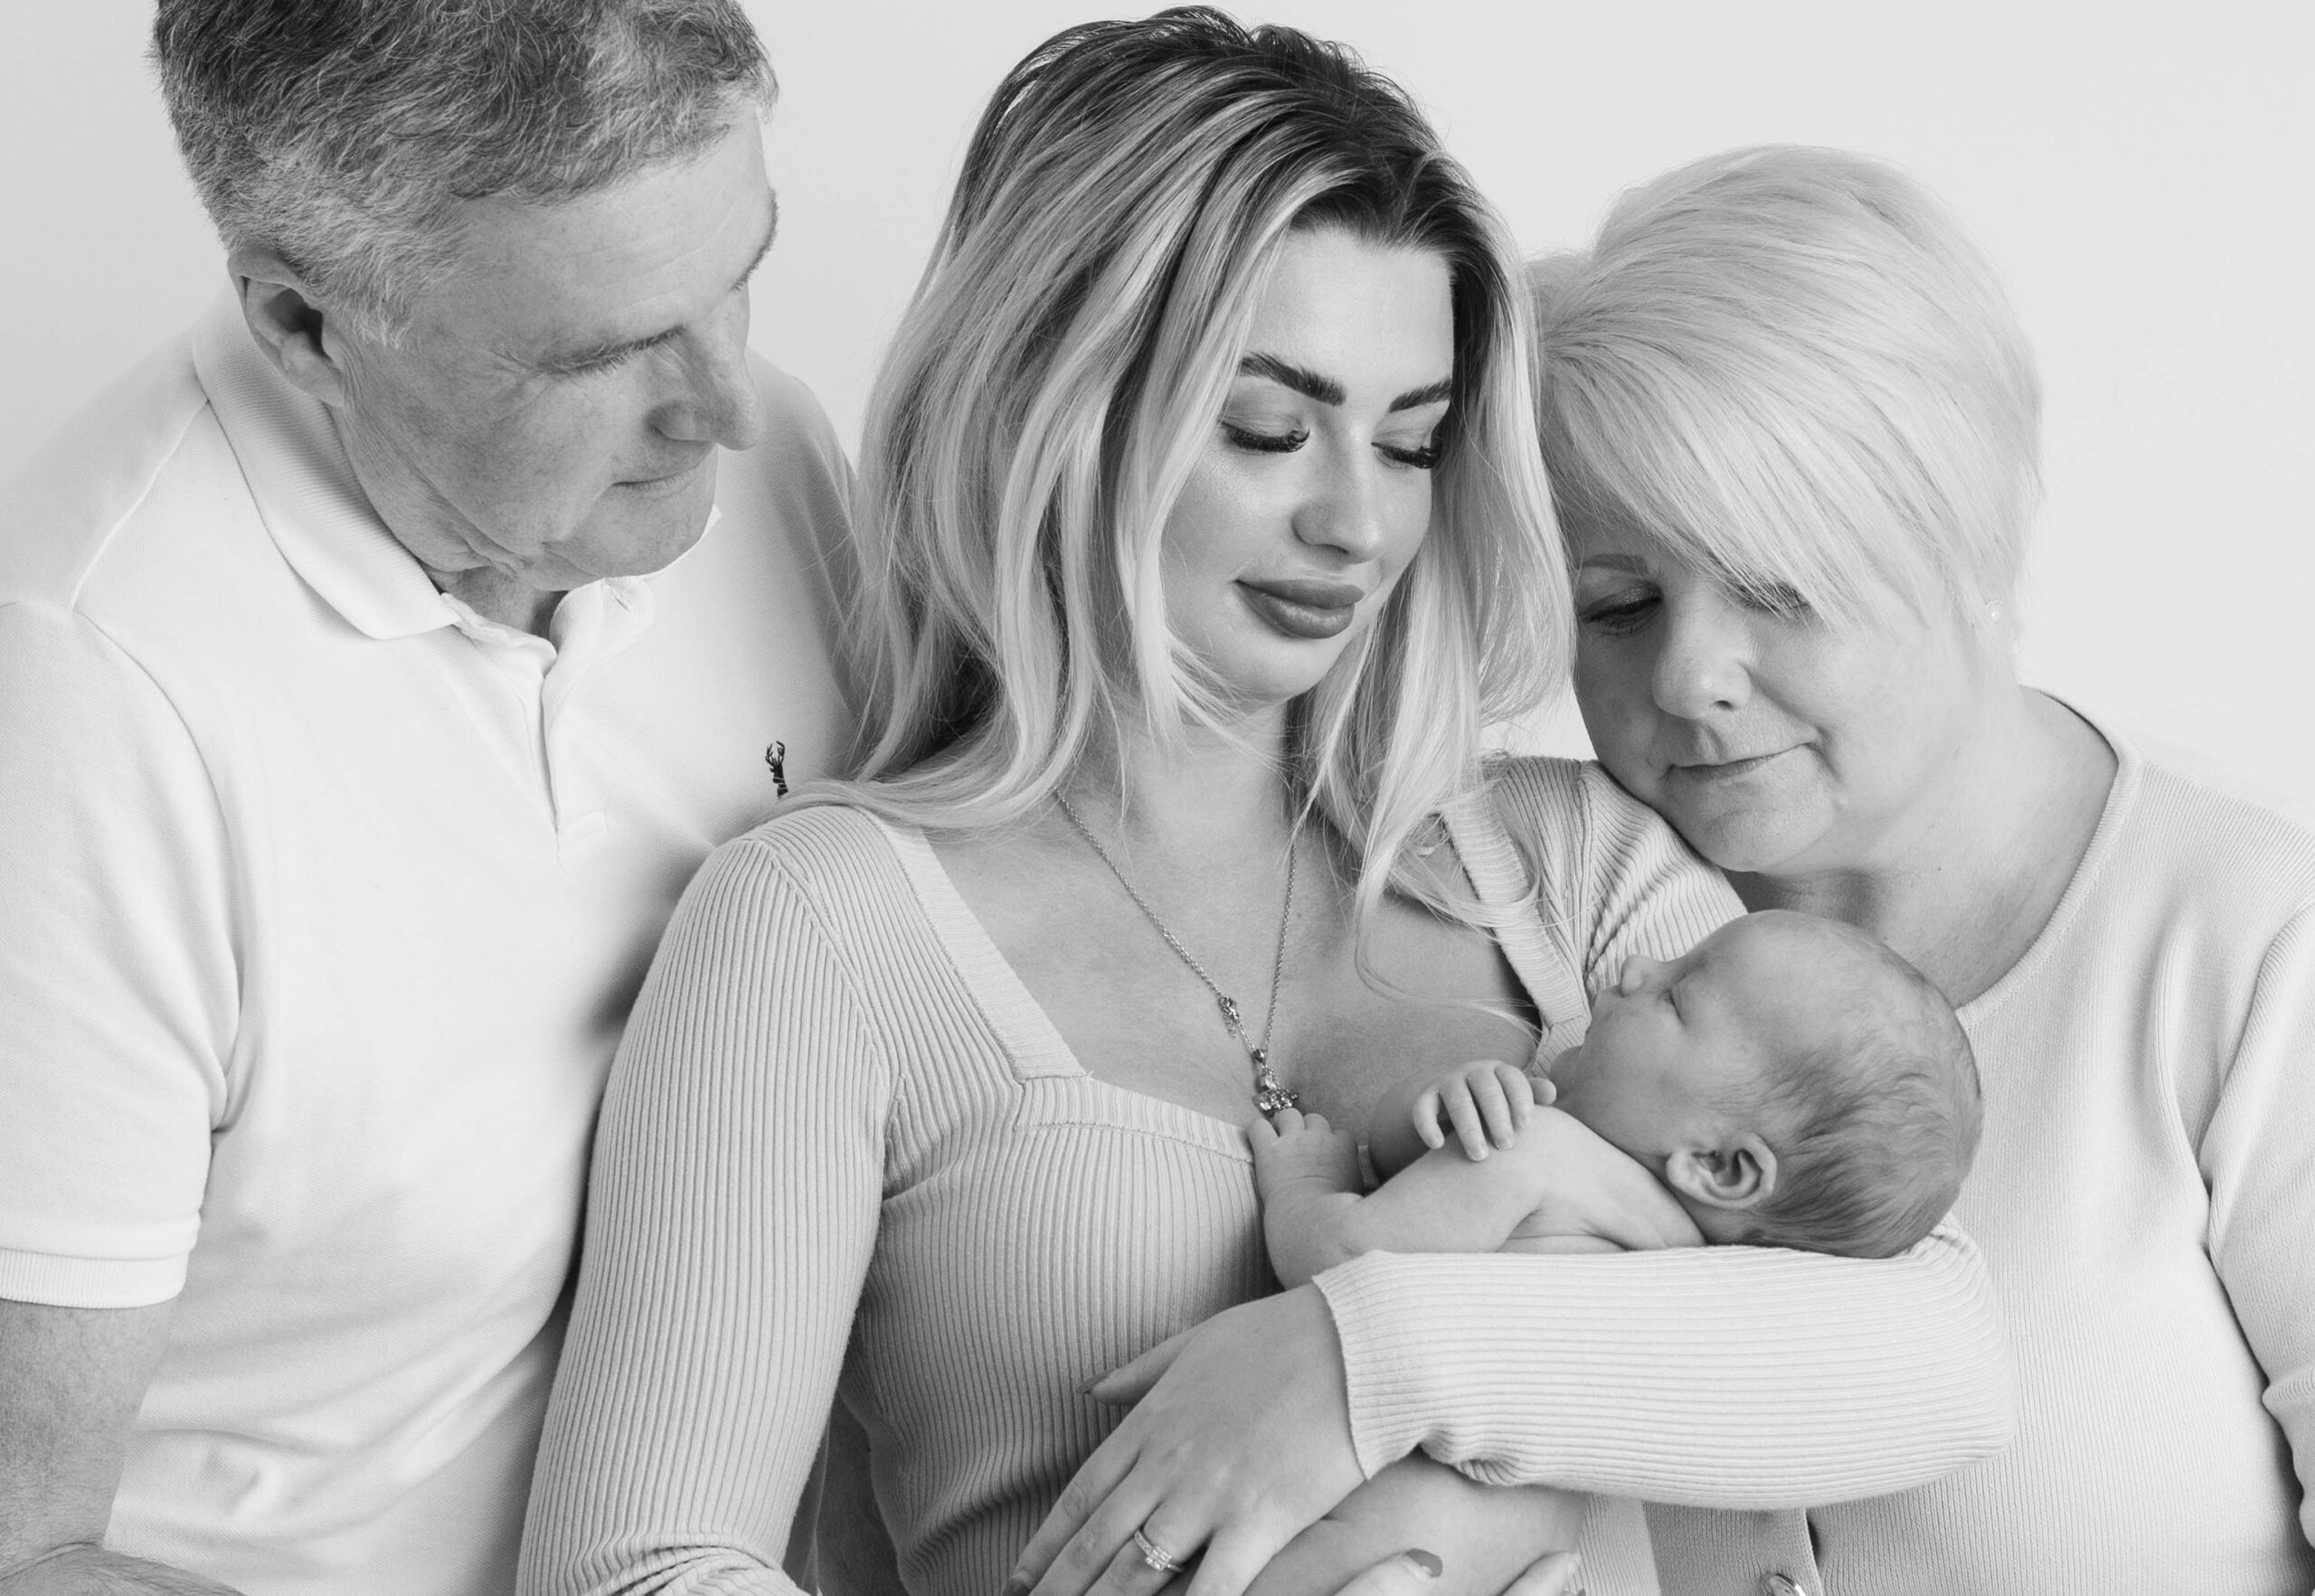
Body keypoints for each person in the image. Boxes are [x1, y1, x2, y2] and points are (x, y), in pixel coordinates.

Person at [521, 18, 2010, 1596]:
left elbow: (1938, 1363)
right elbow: (638, 1569)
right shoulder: (825, 929)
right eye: (1268, 430)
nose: (1358, 523)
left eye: (1412, 442)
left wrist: (1362, 1359)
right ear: (1053, 402)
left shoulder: (1573, 867)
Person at [1011, 143, 2315, 1596]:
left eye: (1776, 588)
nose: (1691, 678)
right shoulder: (1527, 885)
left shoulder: (2257, 950)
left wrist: (1370, 1353)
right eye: (1617, 604)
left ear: (1960, 538)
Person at [0, 4, 854, 1593]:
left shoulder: (765, 466)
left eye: (738, 278)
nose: (726, 403)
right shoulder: (80, 701)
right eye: (600, 354)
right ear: (306, 326)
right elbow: (20, 1542)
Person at [1255, 909, 1983, 1286]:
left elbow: (1341, 1261)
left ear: (1718, 1165)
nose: (1637, 965)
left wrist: (1306, 1182)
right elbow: (1411, 1177)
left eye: (1676, 995)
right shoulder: (1678, 1265)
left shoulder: (1537, 1152)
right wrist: (1442, 1107)